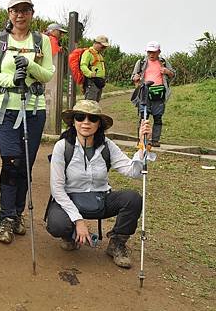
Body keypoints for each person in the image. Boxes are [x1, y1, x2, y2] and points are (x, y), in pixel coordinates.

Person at [46, 100, 150, 268]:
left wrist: (142, 145)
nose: (86, 122)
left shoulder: (107, 146)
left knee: (133, 199)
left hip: (101, 198)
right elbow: (57, 189)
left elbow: (134, 172)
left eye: (92, 118)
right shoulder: (62, 147)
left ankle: (117, 243)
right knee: (57, 224)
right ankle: (70, 235)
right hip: (70, 200)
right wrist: (78, 221)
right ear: (73, 121)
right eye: (80, 117)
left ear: (99, 123)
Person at [0, 0, 55, 244]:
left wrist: (29, 65)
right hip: (6, 109)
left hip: (34, 109)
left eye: (25, 10)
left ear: (32, 13)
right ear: (9, 13)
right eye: (15, 10)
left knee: (25, 163)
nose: (20, 15)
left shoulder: (42, 41)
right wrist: (11, 80)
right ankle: (6, 216)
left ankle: (17, 213)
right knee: (11, 160)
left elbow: (47, 73)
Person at [130, 41, 175, 147]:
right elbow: (133, 76)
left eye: (154, 52)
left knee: (158, 117)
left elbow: (173, 74)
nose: (151, 54)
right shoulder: (141, 62)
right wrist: (135, 78)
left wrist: (167, 72)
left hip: (159, 94)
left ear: (159, 52)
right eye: (149, 52)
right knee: (143, 117)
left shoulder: (163, 62)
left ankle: (155, 140)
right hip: (144, 93)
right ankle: (142, 139)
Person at [81, 35, 109, 101]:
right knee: (89, 104)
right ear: (96, 43)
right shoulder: (88, 53)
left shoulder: (99, 54)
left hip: (99, 82)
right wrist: (90, 73)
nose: (103, 48)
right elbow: (83, 65)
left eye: (105, 47)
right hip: (92, 82)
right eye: (102, 46)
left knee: (96, 103)